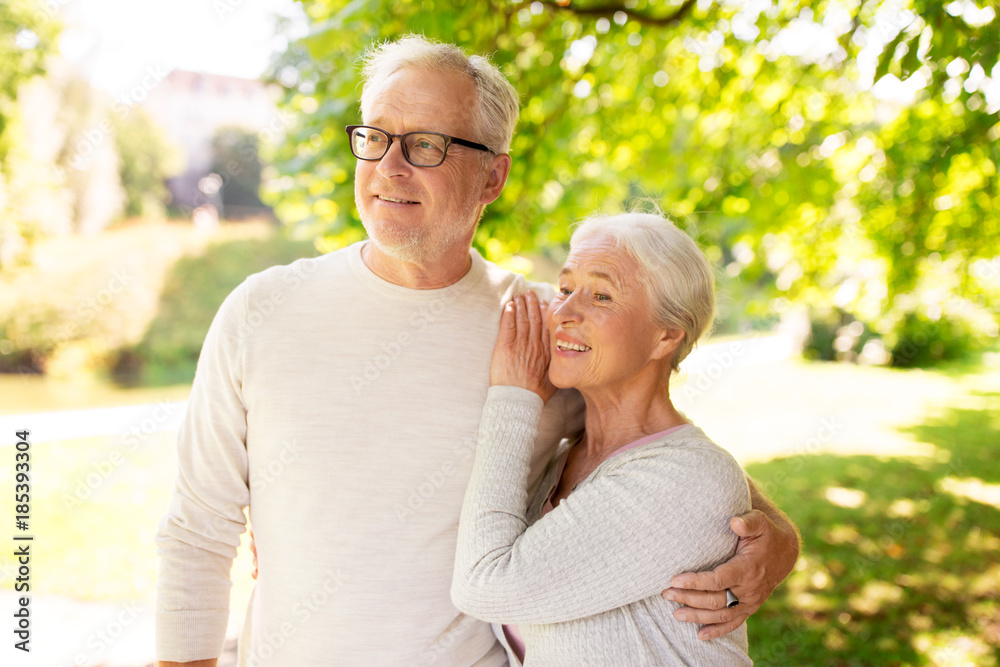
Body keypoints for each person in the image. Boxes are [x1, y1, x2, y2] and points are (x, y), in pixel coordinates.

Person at [156, 36, 799, 666]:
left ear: (492, 174)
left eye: (426, 145)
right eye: (375, 137)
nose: (389, 167)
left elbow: (665, 455)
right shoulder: (261, 310)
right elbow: (196, 529)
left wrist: (777, 540)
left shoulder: (545, 328)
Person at [452, 212, 752, 665]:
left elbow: (483, 586)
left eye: (601, 295)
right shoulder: (563, 461)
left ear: (667, 334)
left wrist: (513, 397)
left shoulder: (688, 478)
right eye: (566, 289)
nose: (564, 313)